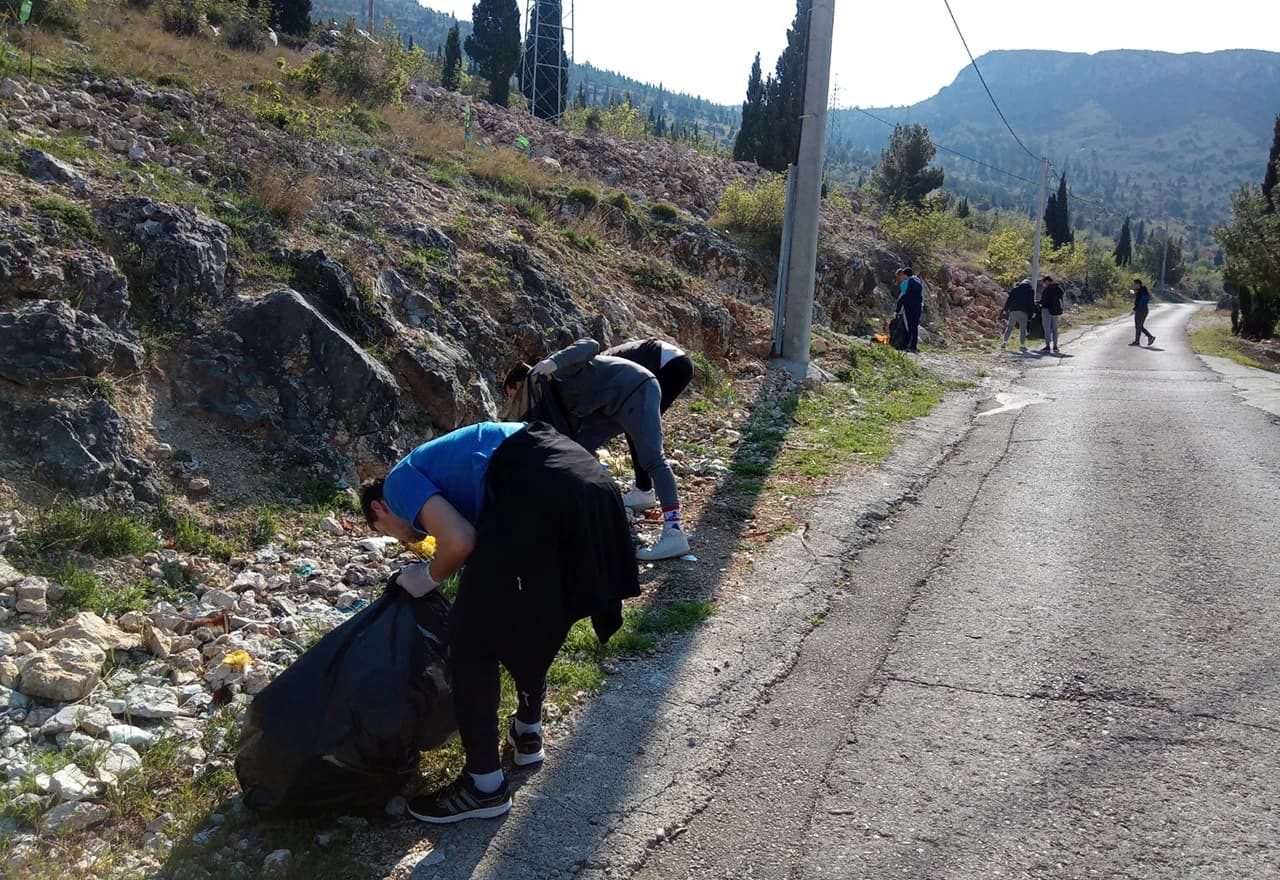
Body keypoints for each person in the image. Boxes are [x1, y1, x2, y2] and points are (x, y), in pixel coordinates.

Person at [360, 421, 639, 823]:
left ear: (378, 509)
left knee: (471, 639)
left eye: (384, 531)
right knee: (538, 616)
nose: (400, 538)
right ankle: (527, 732)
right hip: (589, 481)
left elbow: (459, 542)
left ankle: (483, 786)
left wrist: (427, 576)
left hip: (537, 491)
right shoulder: (442, 468)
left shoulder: (399, 484)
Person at [503, 339, 689, 561]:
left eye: (513, 395)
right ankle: (589, 515)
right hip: (611, 406)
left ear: (520, 385)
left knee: (652, 458)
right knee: (574, 452)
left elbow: (590, 345)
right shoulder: (551, 399)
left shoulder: (554, 372)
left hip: (638, 388)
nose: (516, 402)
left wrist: (553, 362)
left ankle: (674, 533)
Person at [599, 338, 694, 512]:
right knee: (636, 424)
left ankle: (645, 491)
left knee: (637, 424)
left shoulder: (592, 373)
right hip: (676, 361)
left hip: (669, 365)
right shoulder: (599, 364)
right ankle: (645, 489)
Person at [894, 266, 924, 354]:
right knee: (915, 326)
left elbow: (902, 298)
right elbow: (922, 295)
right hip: (918, 307)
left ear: (905, 275)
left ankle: (907, 345)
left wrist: (897, 310)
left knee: (908, 326)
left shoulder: (905, 283)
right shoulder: (918, 281)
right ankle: (914, 346)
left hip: (909, 307)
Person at [1001, 278, 1036, 352]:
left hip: (1013, 311)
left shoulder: (1015, 289)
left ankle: (1004, 342)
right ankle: (1022, 345)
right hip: (1024, 312)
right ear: (1029, 284)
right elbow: (1031, 303)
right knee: (1023, 329)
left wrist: (1005, 309)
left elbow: (1009, 299)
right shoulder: (1030, 291)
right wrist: (1032, 313)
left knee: (1010, 327)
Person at [1038, 275, 1065, 355]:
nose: (1043, 284)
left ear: (1047, 281)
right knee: (1055, 329)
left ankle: (1047, 346)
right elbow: (1061, 297)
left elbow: (1044, 301)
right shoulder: (1058, 288)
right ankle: (1055, 346)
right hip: (1056, 311)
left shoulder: (1047, 289)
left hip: (1046, 310)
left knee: (1047, 329)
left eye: (1044, 282)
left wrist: (1039, 303)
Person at [1129, 277, 1156, 347]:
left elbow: (1139, 302)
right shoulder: (1143, 290)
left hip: (1140, 310)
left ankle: (1147, 338)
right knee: (1139, 326)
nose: (1133, 286)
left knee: (1138, 326)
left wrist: (1134, 309)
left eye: (1134, 284)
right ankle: (1145, 338)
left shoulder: (1140, 292)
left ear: (1138, 284)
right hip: (1145, 310)